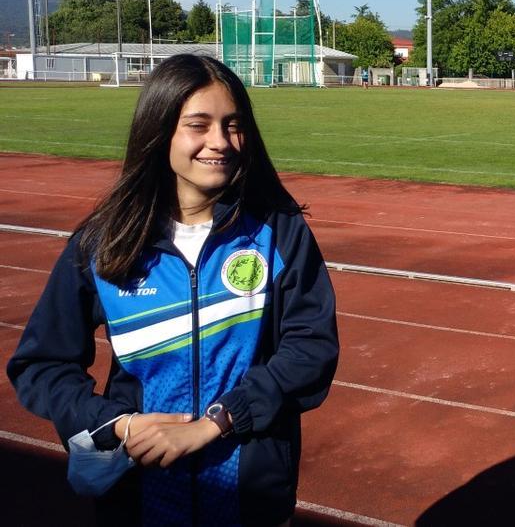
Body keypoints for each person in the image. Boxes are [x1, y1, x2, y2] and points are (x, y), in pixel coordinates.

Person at [8, 54, 339, 526]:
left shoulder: (278, 231)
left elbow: (312, 349)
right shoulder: (105, 242)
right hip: (139, 496)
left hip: (251, 500)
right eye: (198, 125)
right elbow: (42, 365)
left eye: (233, 125)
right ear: (159, 131)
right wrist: (119, 425)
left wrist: (219, 421)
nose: (220, 142)